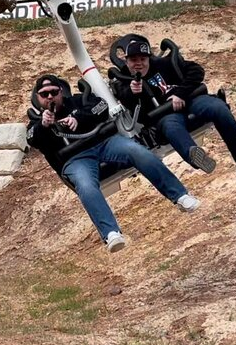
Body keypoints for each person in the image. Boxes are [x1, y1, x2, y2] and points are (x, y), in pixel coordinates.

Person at [27, 74, 201, 253]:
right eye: (44, 94)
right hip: (76, 159)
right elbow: (33, 139)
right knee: (85, 185)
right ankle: (111, 233)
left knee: (138, 151)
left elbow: (101, 107)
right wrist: (45, 125)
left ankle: (180, 195)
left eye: (53, 92)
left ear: (61, 92)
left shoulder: (80, 101)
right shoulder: (36, 123)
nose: (50, 97)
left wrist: (78, 118)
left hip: (104, 144)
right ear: (38, 98)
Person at [112, 35, 236, 187]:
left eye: (142, 60)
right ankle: (195, 155)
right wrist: (134, 92)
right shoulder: (124, 82)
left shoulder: (165, 64)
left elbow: (197, 70)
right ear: (126, 61)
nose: (138, 64)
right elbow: (130, 103)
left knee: (218, 108)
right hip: (165, 115)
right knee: (171, 128)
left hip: (190, 100)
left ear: (148, 59)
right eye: (133, 60)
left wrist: (180, 93)